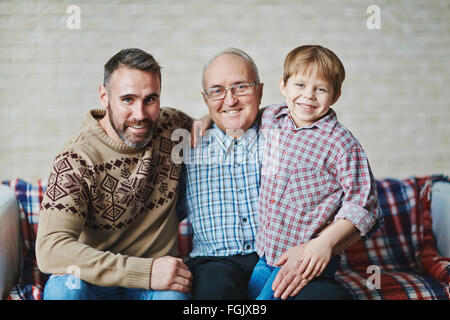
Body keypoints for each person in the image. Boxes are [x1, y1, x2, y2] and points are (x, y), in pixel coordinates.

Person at [36, 48, 194, 300]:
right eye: (128, 100)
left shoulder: (172, 128)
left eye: (150, 99)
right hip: (96, 281)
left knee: (175, 297)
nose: (140, 115)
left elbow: (232, 120)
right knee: (63, 291)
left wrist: (209, 120)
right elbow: (50, 250)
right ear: (104, 96)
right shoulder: (76, 158)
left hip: (157, 288)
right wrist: (145, 272)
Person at [248, 45, 384, 300]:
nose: (308, 96)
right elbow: (240, 117)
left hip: (306, 257)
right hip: (265, 252)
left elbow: (364, 204)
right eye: (300, 85)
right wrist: (207, 120)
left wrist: (323, 243)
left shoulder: (342, 144)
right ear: (283, 85)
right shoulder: (272, 118)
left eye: (320, 89)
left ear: (335, 95)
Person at [177, 48, 265, 299]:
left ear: (259, 90)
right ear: (206, 99)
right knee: (213, 288)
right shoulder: (187, 148)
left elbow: (312, 110)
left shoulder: (283, 133)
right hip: (214, 263)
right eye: (217, 91)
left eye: (241, 87)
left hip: (276, 257)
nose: (230, 100)